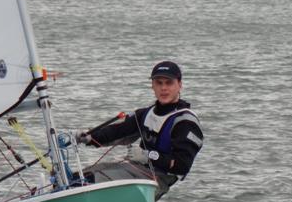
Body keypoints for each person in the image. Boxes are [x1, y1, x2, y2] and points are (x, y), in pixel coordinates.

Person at [75, 61, 203, 192]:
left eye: (169, 83)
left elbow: (182, 166)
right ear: (152, 85)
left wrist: (148, 156)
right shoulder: (145, 114)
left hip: (157, 179)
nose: (163, 88)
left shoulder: (186, 122)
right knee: (79, 177)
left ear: (179, 85)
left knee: (94, 180)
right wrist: (90, 137)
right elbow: (117, 131)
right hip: (135, 168)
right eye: (159, 83)